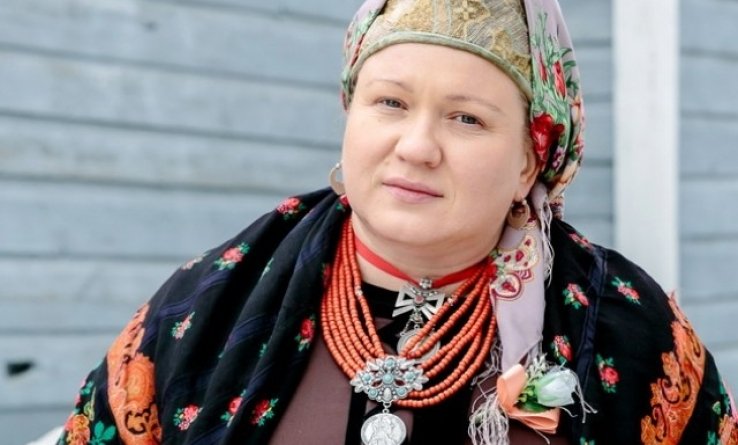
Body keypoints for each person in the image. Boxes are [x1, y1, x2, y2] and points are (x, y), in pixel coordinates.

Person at [58, 0, 738, 444]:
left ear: (530, 162)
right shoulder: (206, 306)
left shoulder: (629, 330)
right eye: (390, 103)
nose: (416, 146)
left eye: (466, 118)